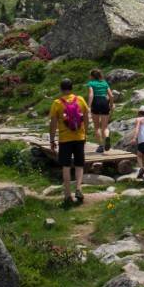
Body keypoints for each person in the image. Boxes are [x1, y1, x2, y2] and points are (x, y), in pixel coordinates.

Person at [48, 78, 91, 206]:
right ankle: (78, 189)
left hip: (64, 139)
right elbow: (86, 118)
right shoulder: (80, 100)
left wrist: (51, 139)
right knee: (79, 164)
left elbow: (53, 123)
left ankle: (67, 194)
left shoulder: (57, 103)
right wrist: (85, 133)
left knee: (66, 166)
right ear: (72, 88)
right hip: (79, 137)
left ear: (61, 89)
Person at [86, 68, 114, 153]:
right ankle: (107, 137)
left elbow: (91, 94)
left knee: (97, 127)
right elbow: (111, 96)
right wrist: (111, 105)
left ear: (92, 76)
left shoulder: (91, 83)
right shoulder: (105, 83)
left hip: (96, 102)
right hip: (105, 102)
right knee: (105, 127)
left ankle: (101, 146)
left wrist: (89, 106)